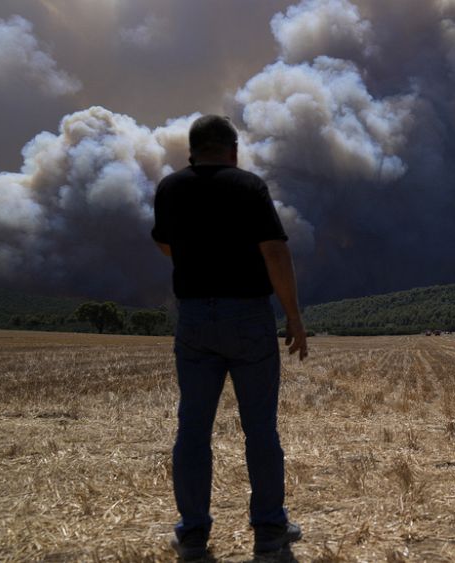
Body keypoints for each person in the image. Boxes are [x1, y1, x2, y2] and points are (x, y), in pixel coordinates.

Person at [151, 115, 308, 560]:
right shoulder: (249, 186)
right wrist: (293, 316)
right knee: (260, 428)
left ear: (191, 150)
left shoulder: (170, 188)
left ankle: (194, 536)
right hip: (248, 317)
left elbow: (165, 245)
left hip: (196, 317)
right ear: (233, 149)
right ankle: (269, 533)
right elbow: (275, 250)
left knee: (193, 429)